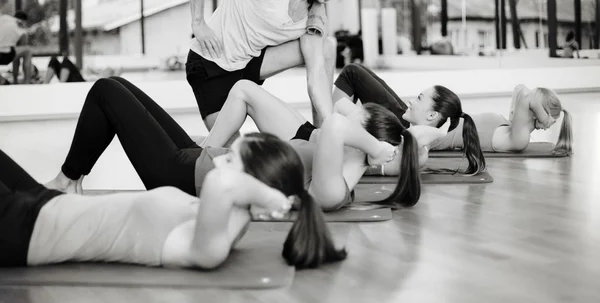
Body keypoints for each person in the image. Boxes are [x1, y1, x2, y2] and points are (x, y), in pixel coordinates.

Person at [44, 77, 447, 212]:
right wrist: (384, 143)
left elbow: (337, 128)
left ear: (364, 144)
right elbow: (333, 130)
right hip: (201, 160)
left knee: (105, 91)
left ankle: (65, 182)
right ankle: (73, 182)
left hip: (187, 175)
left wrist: (378, 149)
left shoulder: (334, 189)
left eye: (356, 126)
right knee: (119, 87)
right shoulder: (332, 161)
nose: (341, 121)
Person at [1, 133, 347, 269]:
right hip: (43, 203)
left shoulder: (210, 246)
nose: (219, 159)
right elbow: (225, 184)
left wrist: (270, 197)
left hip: (24, 228)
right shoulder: (217, 218)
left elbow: (221, 183)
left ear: (251, 185)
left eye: (231, 158)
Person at [187, 0, 359, 139]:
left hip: (248, 63)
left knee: (326, 46)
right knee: (231, 151)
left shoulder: (315, 16)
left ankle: (321, 136)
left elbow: (317, 76)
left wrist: (332, 129)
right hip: (211, 63)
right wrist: (198, 22)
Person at [200, 80, 452, 211]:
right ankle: (205, 152)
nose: (411, 100)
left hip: (306, 144)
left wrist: (436, 133)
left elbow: (337, 118)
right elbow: (340, 110)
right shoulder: (390, 138)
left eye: (420, 98)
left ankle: (204, 152)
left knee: (243, 90)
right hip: (308, 141)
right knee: (243, 89)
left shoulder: (399, 151)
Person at [333, 63, 572, 157]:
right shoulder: (511, 128)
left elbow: (525, 95)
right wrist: (544, 117)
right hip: (418, 121)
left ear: (534, 112)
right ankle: (331, 129)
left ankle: (327, 128)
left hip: (415, 128)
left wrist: (546, 118)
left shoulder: (518, 139)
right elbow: (521, 89)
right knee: (358, 73)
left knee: (353, 73)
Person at [333, 63, 486, 174]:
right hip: (389, 130)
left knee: (352, 72)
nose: (411, 101)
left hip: (338, 153)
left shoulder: (420, 153)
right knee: (355, 71)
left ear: (431, 115)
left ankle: (325, 131)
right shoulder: (407, 135)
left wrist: (439, 134)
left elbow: (414, 138)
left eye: (419, 99)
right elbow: (340, 105)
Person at [0, 11, 33, 84]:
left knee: (14, 50)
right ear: (24, 21)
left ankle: (12, 81)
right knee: (27, 51)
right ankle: (26, 82)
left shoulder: (4, 17)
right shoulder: (21, 29)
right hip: (4, 55)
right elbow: (21, 47)